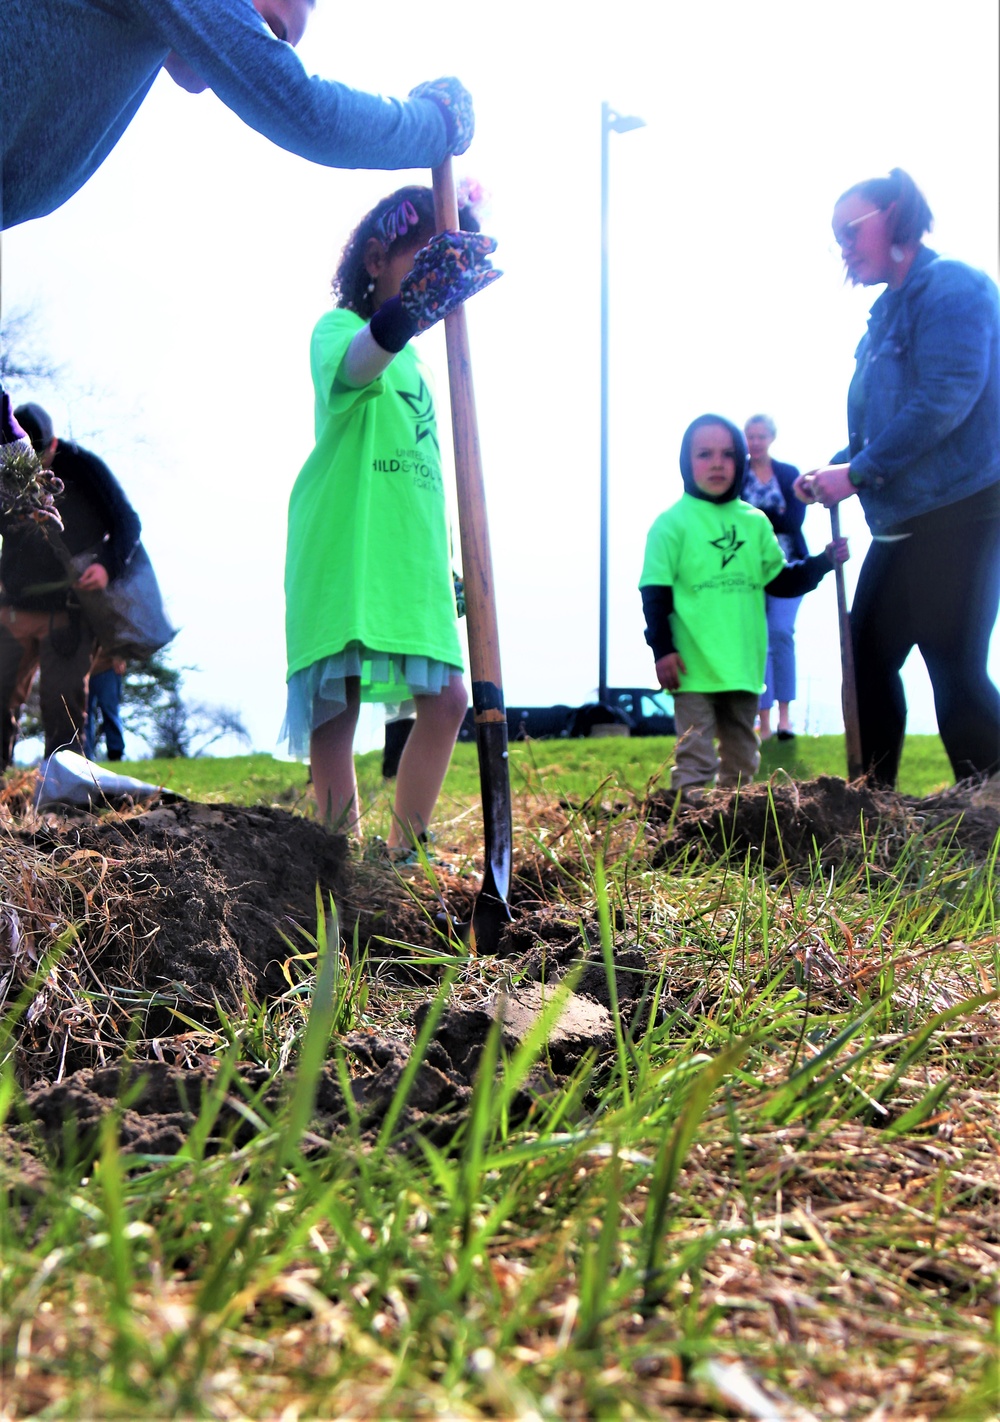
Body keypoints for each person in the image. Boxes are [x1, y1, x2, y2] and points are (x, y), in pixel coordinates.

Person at [283, 183, 500, 853]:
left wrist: (446, 567)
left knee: (450, 699)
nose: (437, 279)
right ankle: (337, 853)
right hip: (343, 544)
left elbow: (427, 480)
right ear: (376, 260)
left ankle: (403, 851)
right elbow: (354, 370)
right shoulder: (341, 331)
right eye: (422, 259)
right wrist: (410, 308)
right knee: (336, 704)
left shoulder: (429, 371)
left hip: (411, 557)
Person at [796, 167, 1000, 788]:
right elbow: (891, 421)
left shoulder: (953, 289)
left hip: (960, 511)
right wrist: (839, 465)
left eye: (850, 230)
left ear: (896, 215)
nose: (844, 247)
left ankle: (988, 807)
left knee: (952, 664)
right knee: (869, 657)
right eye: (836, 237)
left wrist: (856, 474)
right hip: (907, 517)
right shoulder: (885, 315)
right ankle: (871, 807)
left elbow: (946, 398)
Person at [1, 0, 473, 230]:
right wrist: (436, 124)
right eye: (268, 30)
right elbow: (305, 113)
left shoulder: (133, 42)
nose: (263, 48)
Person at [640, 414, 848, 795]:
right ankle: (687, 832)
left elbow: (782, 581)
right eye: (704, 454)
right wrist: (663, 651)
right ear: (686, 462)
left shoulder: (754, 523)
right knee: (696, 759)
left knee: (742, 765)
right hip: (692, 667)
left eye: (728, 454)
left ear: (741, 462)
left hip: (743, 666)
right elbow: (654, 596)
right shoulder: (670, 524)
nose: (717, 463)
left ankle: (733, 838)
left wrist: (823, 562)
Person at [0, 403, 141, 767]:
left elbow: (127, 521)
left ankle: (65, 805)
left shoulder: (82, 467)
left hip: (68, 611)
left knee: (63, 705)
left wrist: (107, 567)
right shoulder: (6, 470)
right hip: (13, 606)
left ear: (53, 443)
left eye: (38, 454)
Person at [742, 413, 809, 741]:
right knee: (759, 641)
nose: (755, 442)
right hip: (747, 573)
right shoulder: (736, 475)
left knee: (781, 634)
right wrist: (772, 516)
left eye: (760, 436)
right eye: (750, 436)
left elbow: (793, 521)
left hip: (788, 567)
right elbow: (732, 521)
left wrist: (756, 516)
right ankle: (763, 722)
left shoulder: (788, 474)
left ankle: (785, 719)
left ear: (771, 437)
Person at [84, 652, 128, 761]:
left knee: (110, 712)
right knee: (83, 716)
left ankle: (116, 755)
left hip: (108, 667)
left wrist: (120, 655)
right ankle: (85, 756)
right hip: (82, 670)